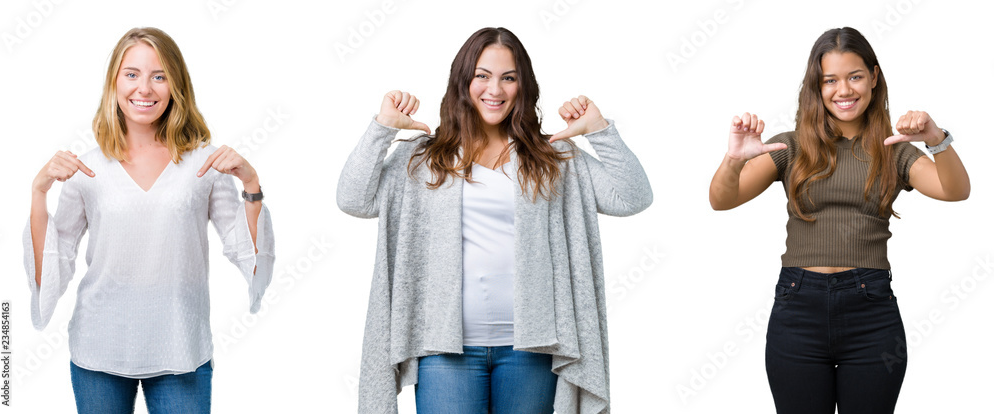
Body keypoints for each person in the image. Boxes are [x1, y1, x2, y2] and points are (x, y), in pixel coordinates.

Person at [338, 27, 652, 414]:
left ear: (524, 86)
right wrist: (382, 128)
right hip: (444, 350)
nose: (495, 89)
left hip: (531, 348)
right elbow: (354, 200)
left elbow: (632, 197)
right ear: (463, 81)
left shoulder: (552, 156)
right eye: (482, 75)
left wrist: (600, 130)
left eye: (509, 78)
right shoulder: (425, 158)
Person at [708, 27, 969, 414]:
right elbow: (722, 199)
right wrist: (734, 159)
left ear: (874, 77)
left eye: (855, 76)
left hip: (871, 312)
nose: (843, 90)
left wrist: (935, 138)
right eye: (830, 80)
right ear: (817, 85)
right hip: (798, 308)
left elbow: (954, 190)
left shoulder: (893, 150)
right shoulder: (791, 145)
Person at [24, 27, 274, 413]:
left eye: (159, 76)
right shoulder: (86, 169)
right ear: (114, 82)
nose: (145, 88)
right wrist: (38, 193)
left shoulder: (204, 164)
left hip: (181, 349)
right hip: (100, 349)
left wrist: (252, 185)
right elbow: (51, 269)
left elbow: (250, 257)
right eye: (132, 74)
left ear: (175, 85)